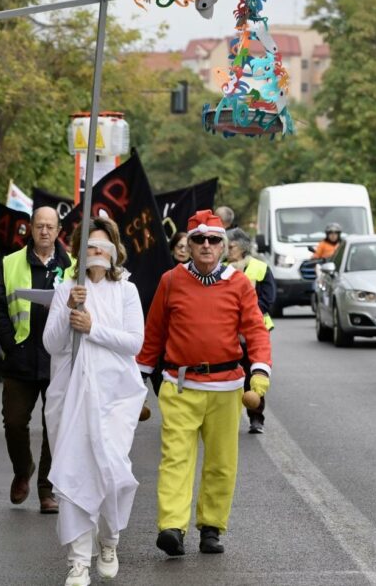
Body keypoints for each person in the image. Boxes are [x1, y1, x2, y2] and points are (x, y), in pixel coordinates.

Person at [137, 210, 272, 557]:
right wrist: (137, 381)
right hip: (180, 385)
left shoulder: (239, 283)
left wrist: (258, 374)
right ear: (190, 245)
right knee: (175, 459)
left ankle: (211, 527)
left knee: (221, 462)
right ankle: (172, 527)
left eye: (214, 240)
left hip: (227, 388)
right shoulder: (170, 281)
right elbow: (153, 335)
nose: (206, 246)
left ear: (224, 246)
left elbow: (256, 331)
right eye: (199, 240)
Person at [43, 216, 148, 586]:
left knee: (114, 472)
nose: (96, 253)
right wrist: (69, 311)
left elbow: (134, 342)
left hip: (115, 395)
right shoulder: (66, 288)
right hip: (70, 395)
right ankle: (77, 561)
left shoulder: (126, 291)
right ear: (77, 250)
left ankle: (110, 538)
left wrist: (93, 329)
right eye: (89, 246)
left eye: (103, 246)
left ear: (115, 251)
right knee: (74, 473)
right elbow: (51, 344)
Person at [0, 206, 72, 514]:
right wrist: (10, 343)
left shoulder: (73, 266)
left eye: (50, 226)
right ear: (31, 229)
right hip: (20, 359)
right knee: (14, 422)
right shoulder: (10, 263)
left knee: (55, 427)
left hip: (57, 360)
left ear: (59, 230)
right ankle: (23, 469)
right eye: (39, 226)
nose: (45, 231)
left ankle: (46, 490)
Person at [225, 228, 275, 434]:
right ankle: (228, 418)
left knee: (255, 375)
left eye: (231, 246)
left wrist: (249, 315)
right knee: (230, 375)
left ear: (243, 247)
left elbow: (268, 298)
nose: (227, 250)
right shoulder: (221, 268)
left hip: (255, 331)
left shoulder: (261, 267)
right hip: (228, 332)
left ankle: (256, 417)